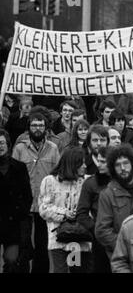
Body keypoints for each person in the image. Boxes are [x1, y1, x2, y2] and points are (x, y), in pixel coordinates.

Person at [12, 112, 60, 273]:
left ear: (46, 128)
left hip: (45, 205)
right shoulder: (19, 148)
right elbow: (12, 175)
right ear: (29, 128)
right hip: (23, 204)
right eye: (34, 125)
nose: (38, 128)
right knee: (24, 244)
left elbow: (57, 175)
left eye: (41, 125)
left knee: (42, 245)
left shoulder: (53, 149)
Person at [38, 147, 91, 273]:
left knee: (76, 269)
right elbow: (44, 208)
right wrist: (64, 213)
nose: (84, 166)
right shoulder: (50, 181)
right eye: (81, 163)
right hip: (58, 237)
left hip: (78, 237)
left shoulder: (85, 182)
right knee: (60, 270)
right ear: (72, 164)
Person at [95, 144, 133, 259]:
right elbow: (102, 231)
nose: (123, 168)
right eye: (118, 165)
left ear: (132, 164)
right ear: (112, 169)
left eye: (125, 163)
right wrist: (125, 247)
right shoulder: (107, 195)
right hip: (122, 259)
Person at [0, 129, 32, 273]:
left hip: (13, 225)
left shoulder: (19, 167)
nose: (0, 146)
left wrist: (21, 213)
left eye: (2, 143)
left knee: (12, 262)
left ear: (8, 144)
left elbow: (27, 195)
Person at [76, 146, 112, 273]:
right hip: (100, 238)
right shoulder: (90, 183)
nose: (99, 165)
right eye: (99, 161)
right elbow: (81, 213)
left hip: (121, 235)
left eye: (104, 161)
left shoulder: (122, 182)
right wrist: (96, 229)